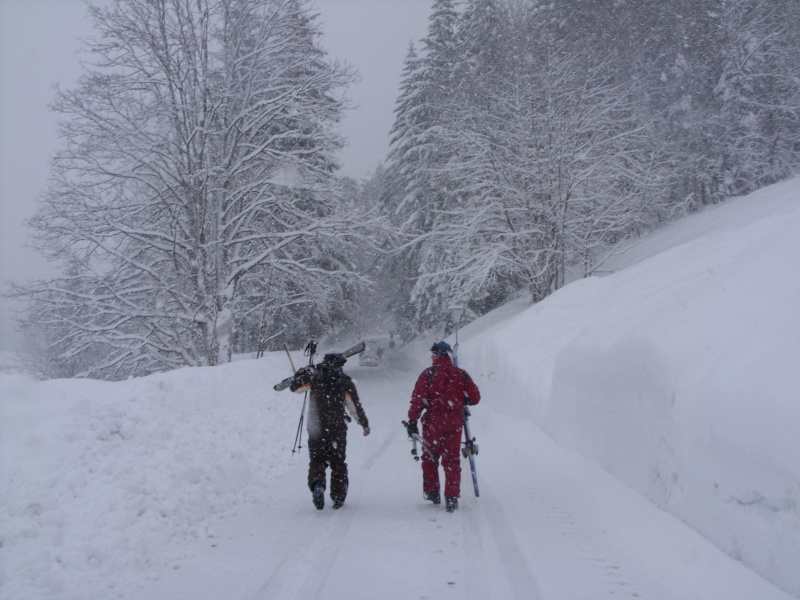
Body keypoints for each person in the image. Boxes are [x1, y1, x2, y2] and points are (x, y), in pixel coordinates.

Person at [405, 341, 480, 512]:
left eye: (434, 354)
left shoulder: (428, 374)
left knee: (430, 456)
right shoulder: (460, 374)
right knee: (452, 459)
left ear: (440, 354)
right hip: (454, 420)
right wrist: (462, 399)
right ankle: (452, 496)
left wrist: (412, 420)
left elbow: (418, 399)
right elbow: (475, 397)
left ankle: (433, 492)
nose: (432, 357)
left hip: (433, 420)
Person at [290, 351, 370, 510]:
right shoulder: (344, 381)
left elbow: (295, 387)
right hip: (337, 428)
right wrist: (364, 423)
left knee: (317, 460)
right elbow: (354, 406)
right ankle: (338, 497)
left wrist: (302, 371)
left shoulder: (314, 377)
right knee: (338, 463)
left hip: (316, 428)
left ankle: (318, 484)